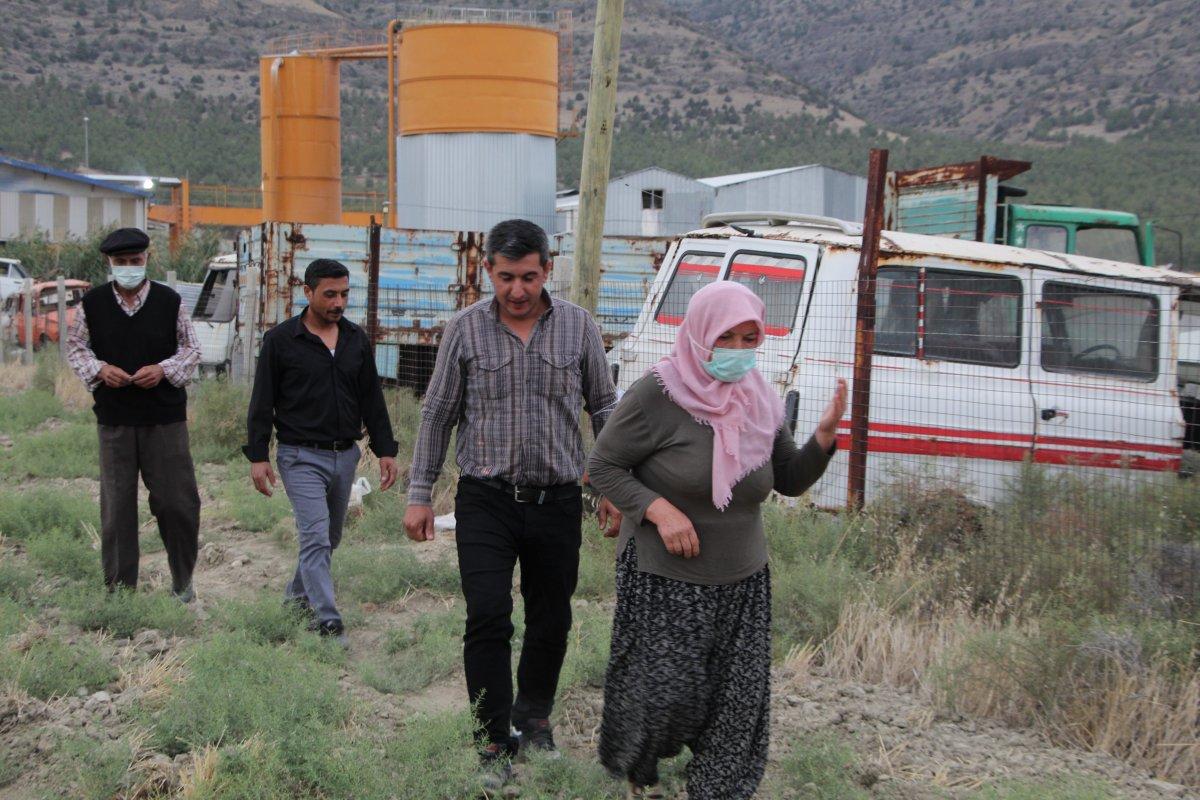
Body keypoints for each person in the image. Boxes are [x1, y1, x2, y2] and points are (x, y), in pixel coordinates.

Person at [587, 281, 847, 799]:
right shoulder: (656, 394)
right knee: (663, 700)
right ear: (701, 334)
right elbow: (603, 466)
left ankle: (717, 790)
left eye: (750, 338)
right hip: (664, 577)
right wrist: (659, 511)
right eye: (726, 338)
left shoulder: (759, 400)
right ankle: (640, 778)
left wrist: (822, 439)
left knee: (736, 706)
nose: (738, 351)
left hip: (743, 580)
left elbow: (788, 479)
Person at [404, 219, 621, 788]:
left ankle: (536, 717)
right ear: (488, 272)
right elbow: (437, 414)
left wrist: (613, 490)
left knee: (552, 616)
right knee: (488, 616)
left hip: (558, 500)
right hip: (486, 499)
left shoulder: (577, 328)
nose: (517, 290)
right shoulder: (465, 331)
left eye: (528, 276)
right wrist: (419, 494)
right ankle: (493, 740)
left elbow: (606, 410)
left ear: (548, 270)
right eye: (505, 278)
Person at [244, 258, 399, 643]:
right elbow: (262, 402)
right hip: (299, 456)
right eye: (330, 294)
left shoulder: (355, 339)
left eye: (345, 294)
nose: (338, 302)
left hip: (345, 455)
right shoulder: (281, 341)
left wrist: (385, 450)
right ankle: (328, 622)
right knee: (314, 537)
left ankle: (295, 601)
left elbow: (371, 399)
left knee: (330, 538)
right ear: (308, 292)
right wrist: (258, 456)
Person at [66, 227, 202, 601]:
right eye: (121, 262)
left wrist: (163, 370)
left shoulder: (170, 301)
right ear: (109, 263)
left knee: (177, 502)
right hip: (115, 421)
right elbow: (76, 347)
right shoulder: (91, 305)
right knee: (117, 509)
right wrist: (98, 369)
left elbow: (191, 349)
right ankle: (120, 592)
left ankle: (182, 582)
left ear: (146, 259)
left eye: (135, 261)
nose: (128, 268)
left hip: (165, 420)